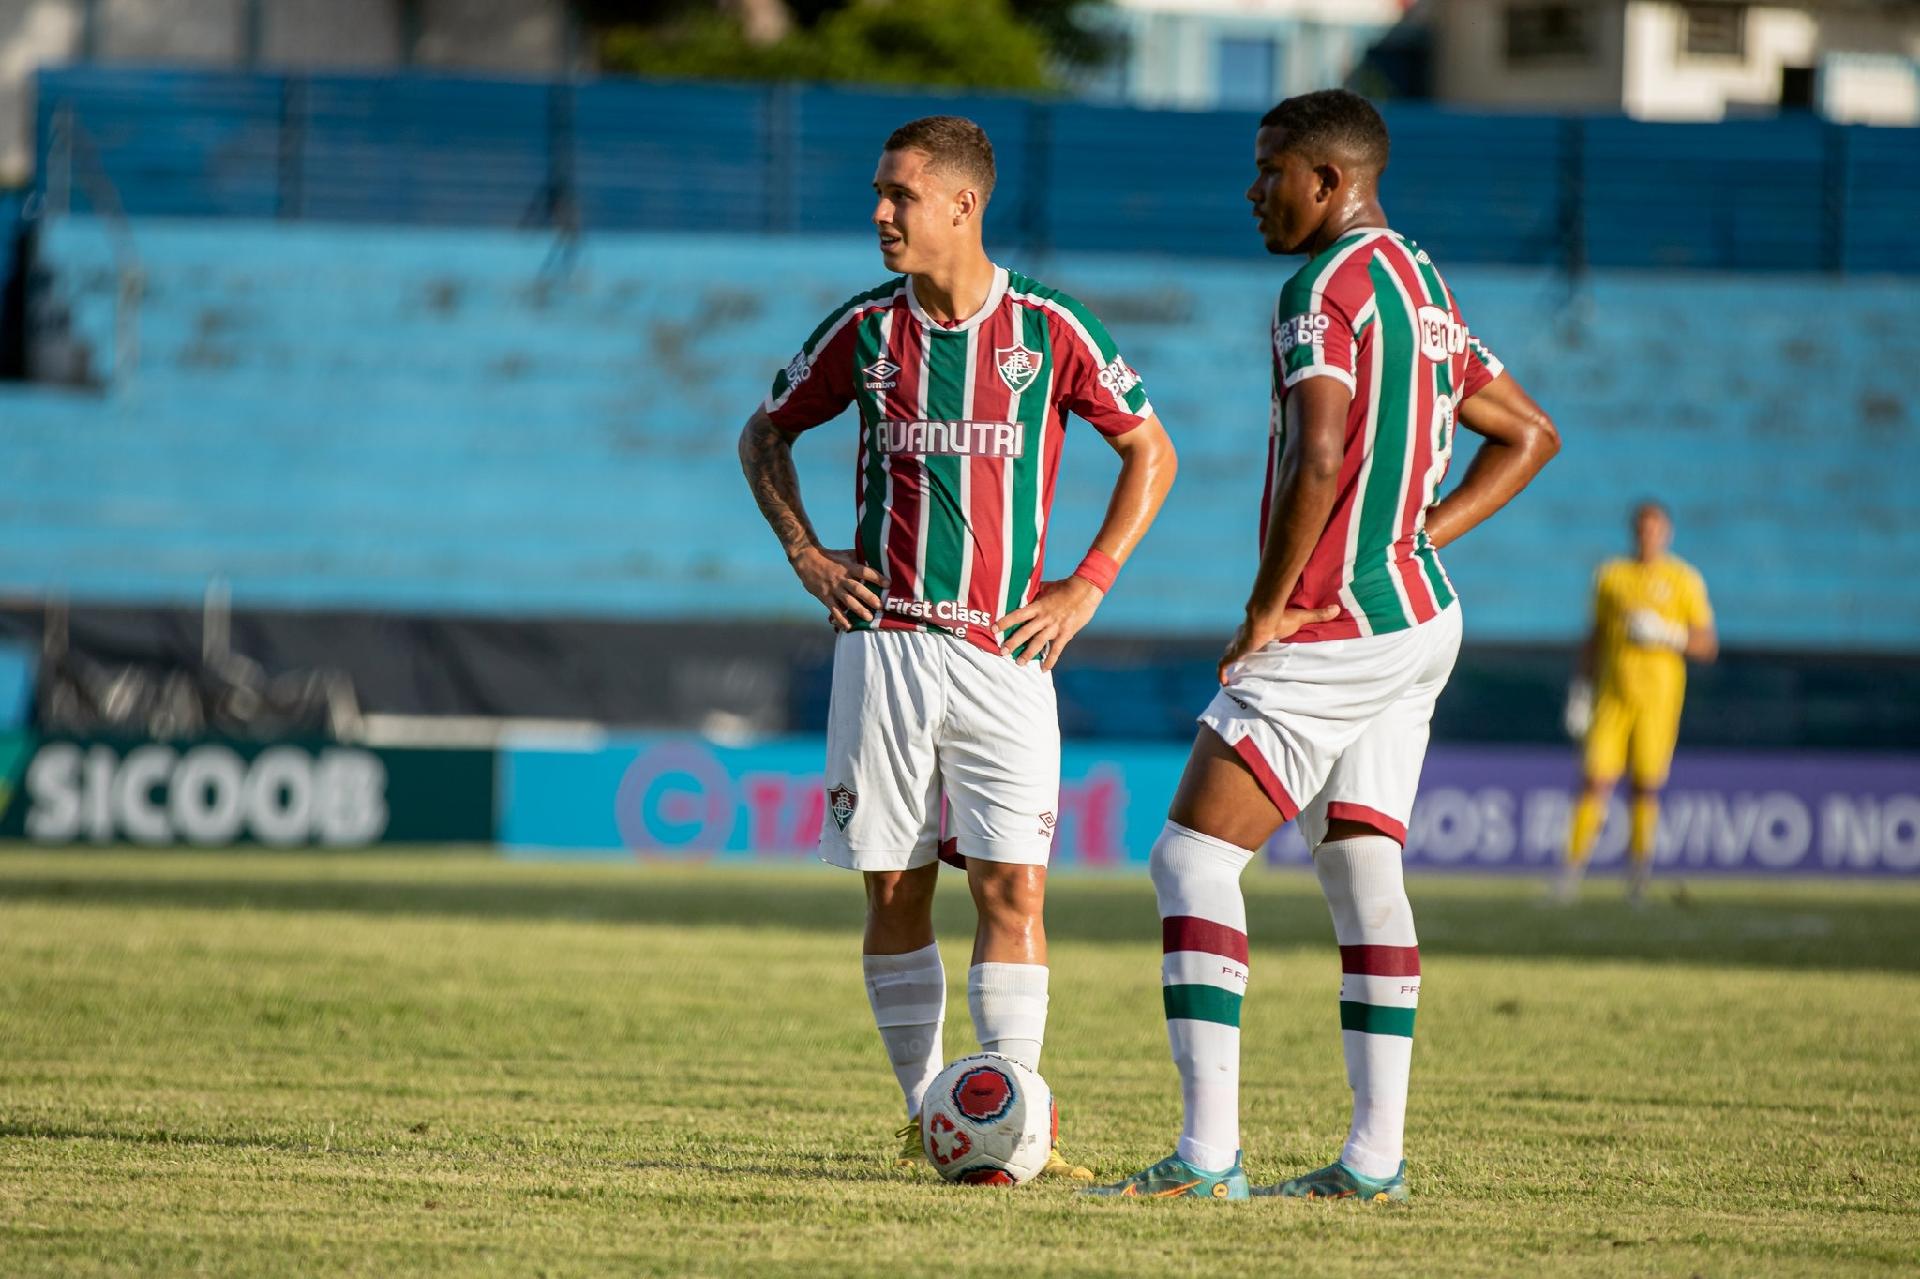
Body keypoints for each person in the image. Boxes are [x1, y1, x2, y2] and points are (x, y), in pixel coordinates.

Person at [1090, 90, 1559, 1202]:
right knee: (1360, 866)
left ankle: (1207, 1158)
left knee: (1191, 860)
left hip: (1336, 622)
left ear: (1329, 181)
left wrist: (1265, 609)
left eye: (1270, 172)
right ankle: (1373, 1159)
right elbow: (1532, 434)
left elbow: (1319, 453)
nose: (1252, 193)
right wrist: (1411, 537)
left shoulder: (1322, 289)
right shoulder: (1426, 287)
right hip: (1422, 613)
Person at [737, 115, 1178, 1178]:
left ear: (963, 205)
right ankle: (926, 1115)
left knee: (1013, 888)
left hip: (1004, 654)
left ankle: (1012, 1118)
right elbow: (765, 433)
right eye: (880, 194)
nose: (881, 213)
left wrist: (1088, 582)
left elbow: (1148, 451)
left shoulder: (1050, 328)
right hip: (882, 647)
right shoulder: (864, 333)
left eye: (900, 195)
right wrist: (806, 552)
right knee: (895, 887)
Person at [1557, 501, 1716, 903]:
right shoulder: (1612, 576)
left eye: (1655, 529)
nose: (1648, 536)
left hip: (1658, 702)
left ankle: (1638, 878)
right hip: (1612, 698)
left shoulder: (1684, 579)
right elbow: (1594, 637)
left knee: (1645, 787)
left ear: (1667, 533)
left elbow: (1706, 644)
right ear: (1634, 532)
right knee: (1595, 782)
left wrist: (1669, 634)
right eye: (1642, 529)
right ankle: (1569, 877)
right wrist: (1580, 691)